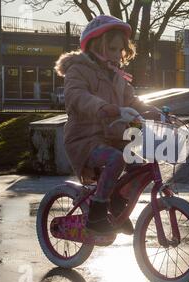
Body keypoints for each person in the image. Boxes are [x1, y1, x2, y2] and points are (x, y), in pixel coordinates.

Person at [55, 15, 155, 235]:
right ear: (95, 47)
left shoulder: (117, 77)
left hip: (112, 137)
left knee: (138, 167)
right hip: (85, 140)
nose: (118, 55)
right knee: (115, 159)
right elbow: (77, 96)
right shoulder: (78, 70)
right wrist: (106, 108)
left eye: (120, 50)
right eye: (112, 48)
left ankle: (117, 203)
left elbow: (132, 100)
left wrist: (155, 111)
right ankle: (98, 214)